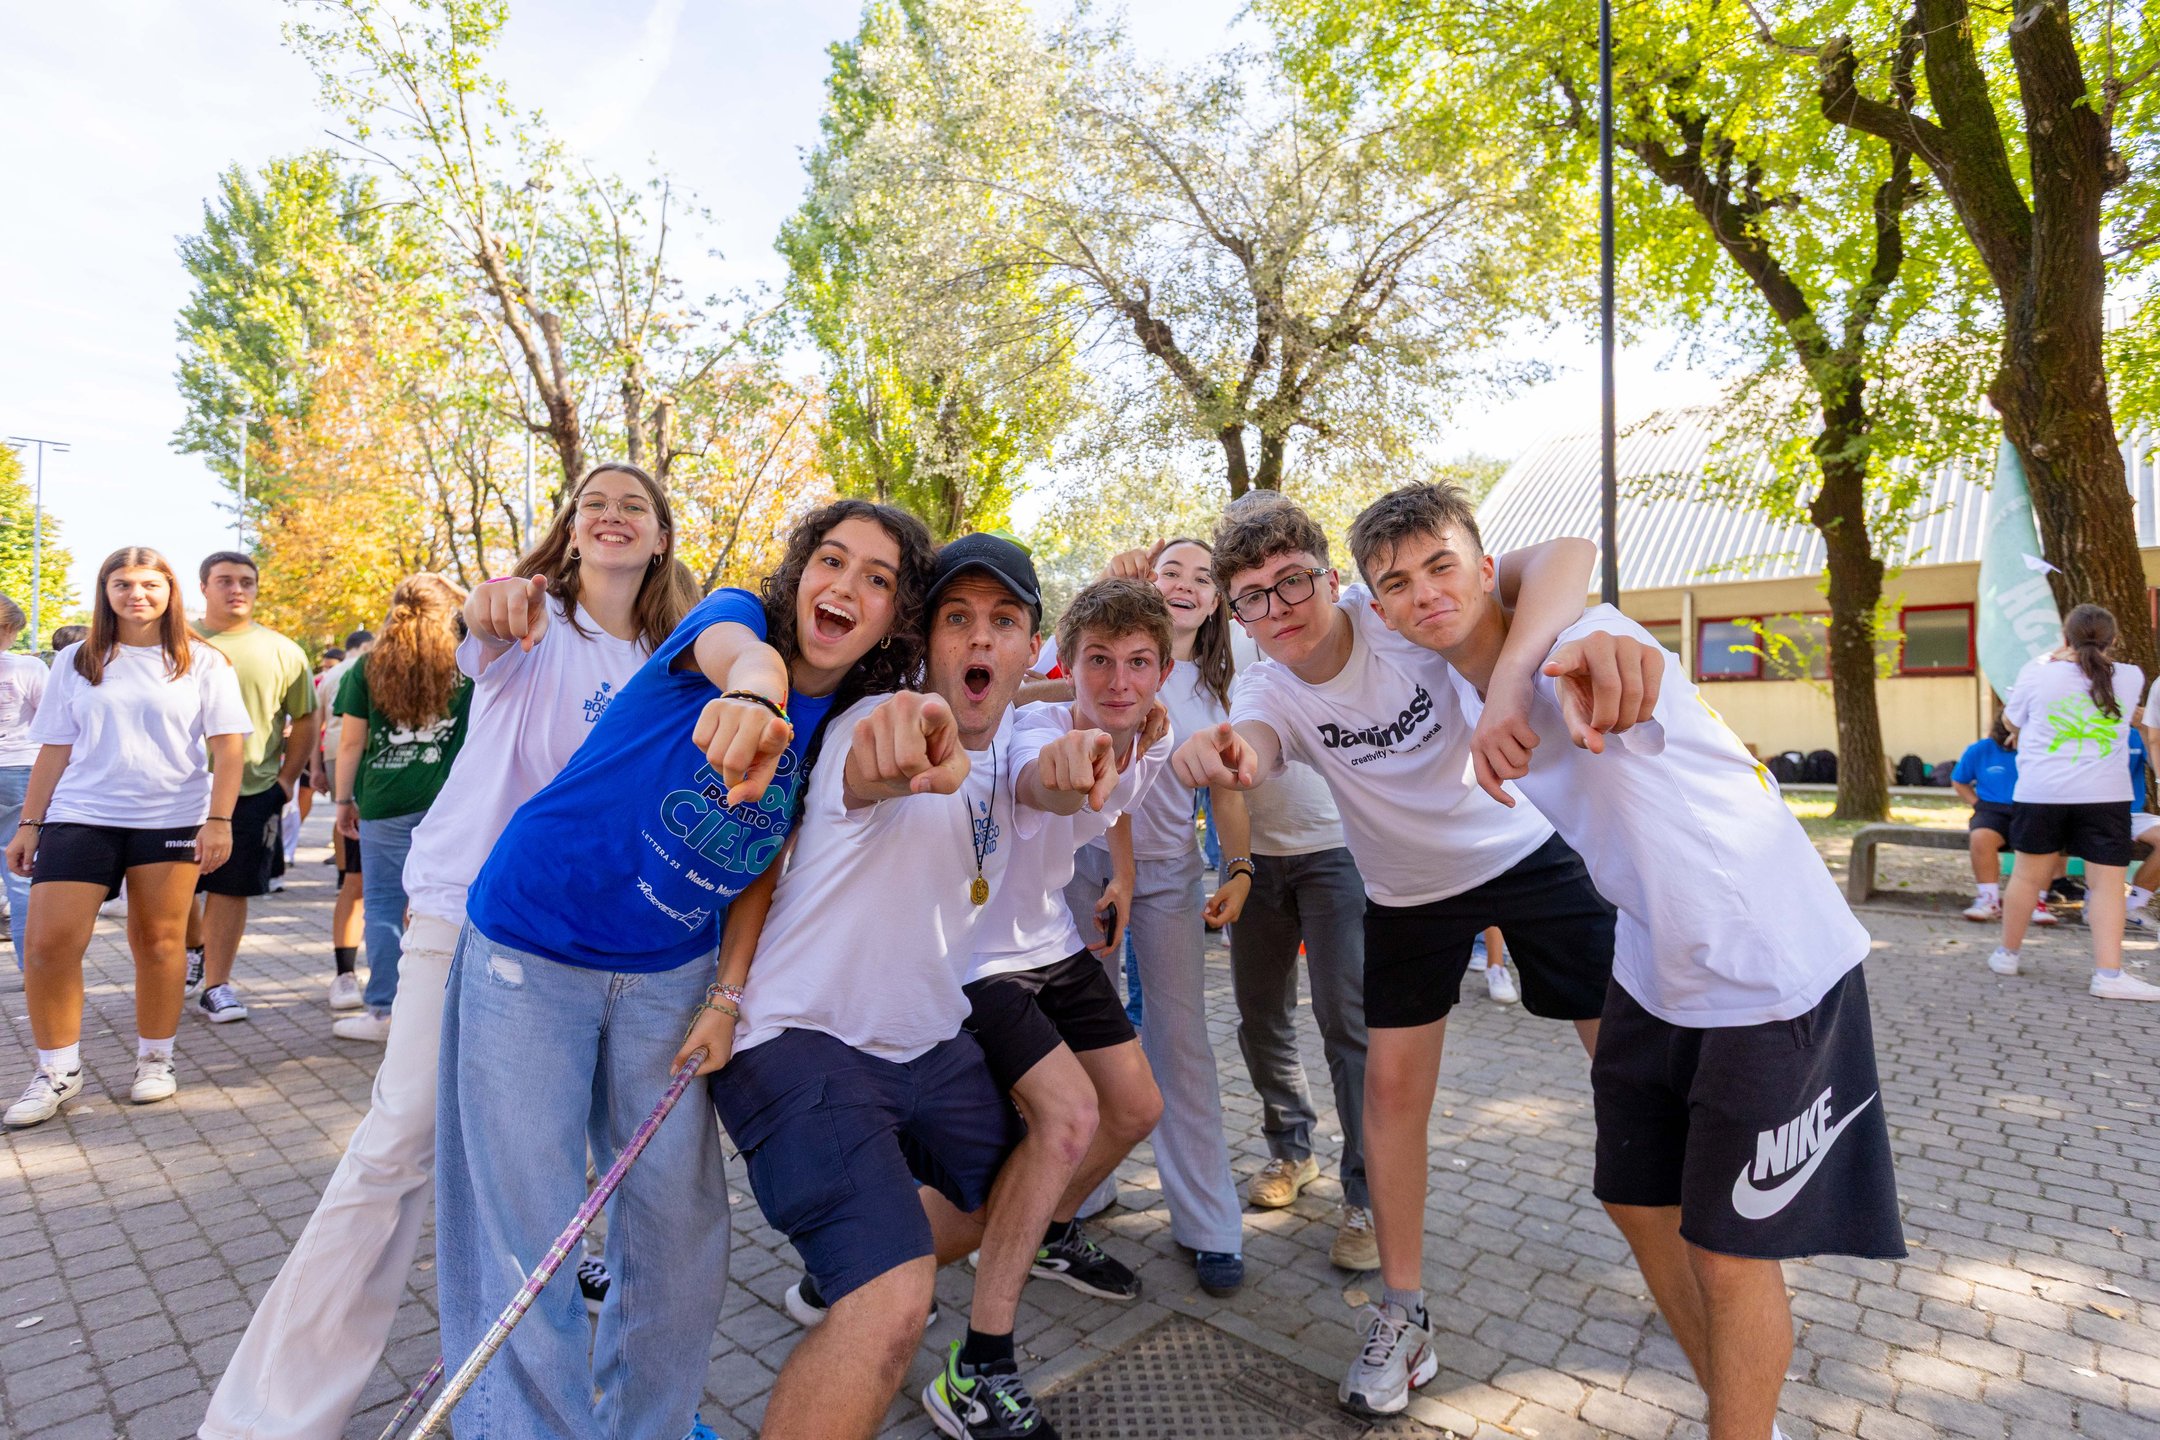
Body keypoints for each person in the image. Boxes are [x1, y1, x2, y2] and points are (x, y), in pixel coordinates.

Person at [1346, 480, 1904, 1440]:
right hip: (1651, 965)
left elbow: (1602, 629)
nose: (1424, 592)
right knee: (1639, 1206)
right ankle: (1748, 1420)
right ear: (1382, 610)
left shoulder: (1581, 642)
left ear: (1486, 570)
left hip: (1765, 967)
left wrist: (1567, 668)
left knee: (1729, 1250)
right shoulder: (1459, 673)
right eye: (1397, 584)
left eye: (1442, 566)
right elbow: (1550, 557)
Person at [199, 462, 694, 1440]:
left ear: (662, 534)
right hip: (464, 914)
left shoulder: (676, 659)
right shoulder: (533, 618)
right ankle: (268, 1418)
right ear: (571, 530)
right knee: (398, 1144)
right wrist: (489, 603)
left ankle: (574, 1405)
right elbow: (485, 625)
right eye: (593, 503)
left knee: (559, 1178)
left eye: (633, 504)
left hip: (585, 949)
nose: (611, 514)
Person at [435, 497, 934, 1440]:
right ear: (801, 572)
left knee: (680, 1232)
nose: (846, 586)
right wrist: (754, 696)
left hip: (669, 973)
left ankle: (648, 1427)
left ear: (893, 618)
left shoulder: (842, 719)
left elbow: (764, 857)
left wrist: (726, 994)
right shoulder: (734, 619)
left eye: (878, 579)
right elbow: (738, 661)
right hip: (531, 945)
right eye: (832, 559)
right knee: (524, 1236)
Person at [1184, 493, 1658, 1416]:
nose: (1279, 609)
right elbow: (1258, 744)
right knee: (1392, 1098)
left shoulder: (1396, 614)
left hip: (1527, 852)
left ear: (1331, 579)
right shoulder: (1267, 687)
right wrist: (1227, 756)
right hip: (1407, 895)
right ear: (1236, 614)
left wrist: (1509, 685)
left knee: (1632, 1070)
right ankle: (1404, 1314)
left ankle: (1687, 1260)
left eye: (1294, 582)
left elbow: (1568, 552)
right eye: (1253, 598)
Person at [698, 533, 1113, 1440]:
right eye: (956, 618)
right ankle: (866, 1274)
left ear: (1030, 647)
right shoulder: (876, 719)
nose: (980, 638)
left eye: (1003, 621)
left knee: (1024, 1179)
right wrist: (907, 737)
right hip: (800, 1039)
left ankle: (854, 1258)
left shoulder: (1014, 748)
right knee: (893, 1305)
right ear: (924, 640)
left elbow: (1044, 780)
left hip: (924, 1040)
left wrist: (1085, 756)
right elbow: (880, 757)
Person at [3, 548, 251, 1127]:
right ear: (106, 591)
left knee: (160, 943)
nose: (136, 594)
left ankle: (155, 1060)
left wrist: (219, 821)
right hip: (80, 813)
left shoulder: (203, 660)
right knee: (47, 945)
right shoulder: (77, 659)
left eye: (148, 584)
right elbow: (55, 747)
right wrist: (29, 825)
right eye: (122, 584)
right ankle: (57, 1071)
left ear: (169, 591)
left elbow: (229, 748)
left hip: (170, 816)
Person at [1065, 537, 1253, 1294]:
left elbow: (1228, 792)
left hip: (1171, 877)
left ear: (1215, 602)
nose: (1186, 584)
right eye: (1171, 569)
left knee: (1180, 1039)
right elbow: (1045, 690)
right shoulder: (1104, 652)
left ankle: (1210, 1223)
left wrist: (1238, 867)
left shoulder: (1212, 684)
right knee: (1085, 1034)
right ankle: (1080, 1194)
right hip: (1084, 867)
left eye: (1204, 577)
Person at [1223, 614, 1378, 1269]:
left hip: (1336, 854)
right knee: (1260, 1017)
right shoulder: (1219, 638)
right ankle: (1291, 1149)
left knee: (1347, 1020)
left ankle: (1367, 1194)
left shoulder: (1334, 626)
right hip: (1253, 861)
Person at [327, 574, 473, 1042]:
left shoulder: (367, 667)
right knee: (455, 902)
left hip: (384, 801)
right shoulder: (467, 662)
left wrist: (343, 801)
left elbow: (351, 743)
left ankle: (384, 1011)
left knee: (385, 904)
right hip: (450, 801)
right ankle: (453, 1008)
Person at [1990, 605, 2160, 1000]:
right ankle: (2108, 974)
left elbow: (2011, 723)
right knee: (2107, 886)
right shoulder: (2131, 676)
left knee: (2027, 877)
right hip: (2106, 795)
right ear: (2113, 641)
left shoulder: (2037, 672)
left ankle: (2007, 955)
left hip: (2041, 792)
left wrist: (2049, 659)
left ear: (2065, 638)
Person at [187, 551, 318, 1022]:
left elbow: (305, 718)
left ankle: (216, 984)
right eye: (224, 580)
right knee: (174, 889)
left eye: (246, 581)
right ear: (203, 587)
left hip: (250, 791)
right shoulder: (177, 641)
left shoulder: (283, 651)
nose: (236, 589)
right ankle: (193, 949)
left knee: (231, 889)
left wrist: (285, 782)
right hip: (174, 792)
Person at [1951, 712, 2056, 926]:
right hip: (1992, 811)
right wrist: (1977, 803)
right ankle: (1988, 900)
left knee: (2047, 839)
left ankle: (2038, 902)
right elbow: (1959, 780)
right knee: (1981, 837)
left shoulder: (2044, 749)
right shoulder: (1981, 749)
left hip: (2033, 806)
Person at [315, 630, 372, 1011]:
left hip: (357, 775)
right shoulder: (364, 669)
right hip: (368, 780)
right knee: (361, 881)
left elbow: (320, 725)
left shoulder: (341, 672)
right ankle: (353, 976)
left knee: (356, 880)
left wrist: (317, 768)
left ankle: (352, 977)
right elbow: (341, 733)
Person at [0, 593, 48, 967]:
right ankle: (33, 970)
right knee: (21, 875)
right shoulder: (27, 668)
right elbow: (53, 722)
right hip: (18, 770)